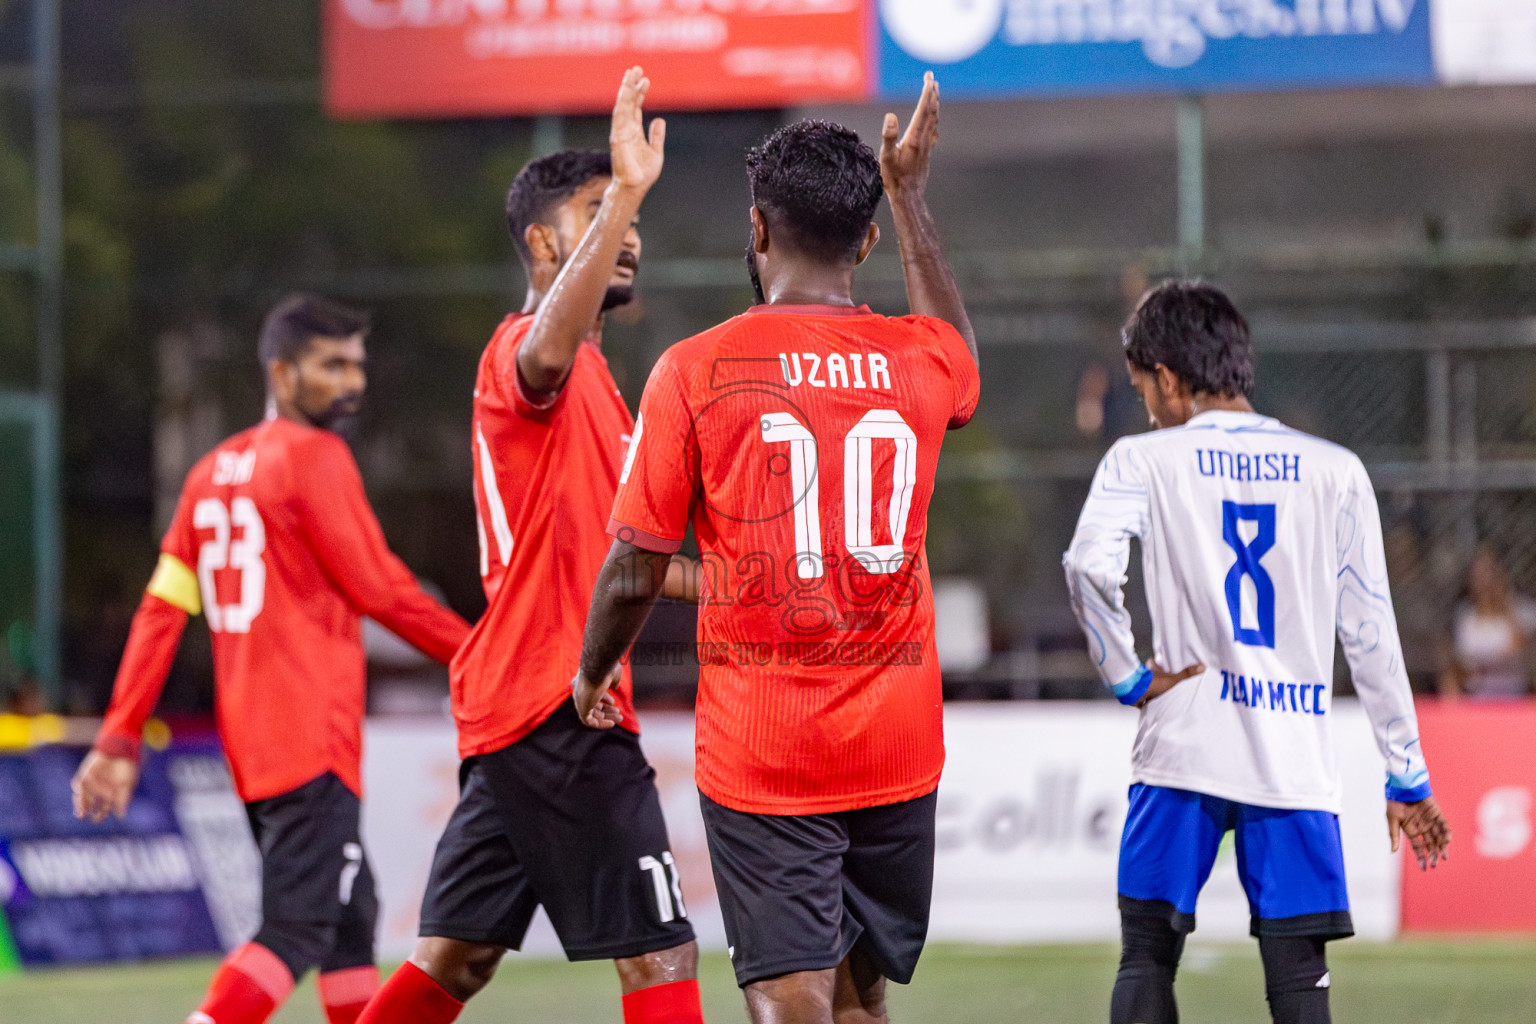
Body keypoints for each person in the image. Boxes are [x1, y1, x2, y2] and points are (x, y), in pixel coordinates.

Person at [574, 73, 979, 1024]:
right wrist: (913, 193)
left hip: (767, 747)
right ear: (868, 242)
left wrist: (592, 671)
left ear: (757, 230)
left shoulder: (695, 369)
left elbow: (634, 561)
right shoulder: (920, 359)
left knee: (787, 990)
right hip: (897, 741)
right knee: (860, 996)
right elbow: (961, 360)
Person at [356, 67, 703, 1024]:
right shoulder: (524, 350)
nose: (627, 230)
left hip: (518, 704)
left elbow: (618, 560)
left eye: (628, 213)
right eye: (599, 212)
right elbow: (540, 354)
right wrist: (630, 183)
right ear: (545, 241)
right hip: (561, 703)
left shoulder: (602, 385)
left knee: (455, 962)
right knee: (663, 951)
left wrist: (731, 583)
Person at [72, 293, 471, 1024]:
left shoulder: (207, 473)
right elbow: (381, 590)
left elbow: (162, 612)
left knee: (350, 918)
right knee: (297, 927)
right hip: (311, 738)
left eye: (357, 364)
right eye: (332, 366)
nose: (352, 381)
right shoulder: (314, 457)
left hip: (253, 746)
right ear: (281, 374)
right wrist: (487, 656)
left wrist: (119, 735)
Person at [1062, 280, 1452, 1024]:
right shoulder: (1336, 471)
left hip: (1183, 742)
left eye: (1145, 387)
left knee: (1147, 954)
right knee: (1299, 977)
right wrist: (1406, 772)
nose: (1146, 406)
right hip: (1292, 754)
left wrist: (1130, 675)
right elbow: (1370, 632)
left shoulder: (1142, 460)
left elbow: (1086, 566)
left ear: (1170, 380)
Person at [1439, 545, 1536, 698]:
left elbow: (1518, 647)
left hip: (1515, 697)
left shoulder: (1522, 609)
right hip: (1478, 697)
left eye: (1489, 572)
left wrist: (1506, 602)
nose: (1484, 580)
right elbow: (1463, 663)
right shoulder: (1466, 616)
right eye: (1478, 574)